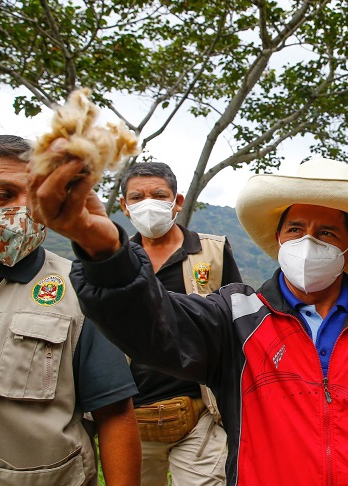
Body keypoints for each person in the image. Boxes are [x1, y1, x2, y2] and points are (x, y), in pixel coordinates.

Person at [28, 153, 348, 485]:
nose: (308, 242)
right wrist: (107, 255)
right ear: (278, 239)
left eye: (327, 233)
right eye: (296, 229)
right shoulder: (234, 317)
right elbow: (153, 326)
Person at [0, 135, 141, 485]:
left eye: (34, 196)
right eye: (2, 195)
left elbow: (115, 414)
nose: (24, 210)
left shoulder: (77, 289)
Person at [117, 162, 243, 485]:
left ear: (178, 201)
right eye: (137, 197)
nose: (148, 203)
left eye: (159, 195)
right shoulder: (115, 262)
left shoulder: (212, 251)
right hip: (132, 414)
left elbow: (238, 322)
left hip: (201, 412)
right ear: (124, 206)